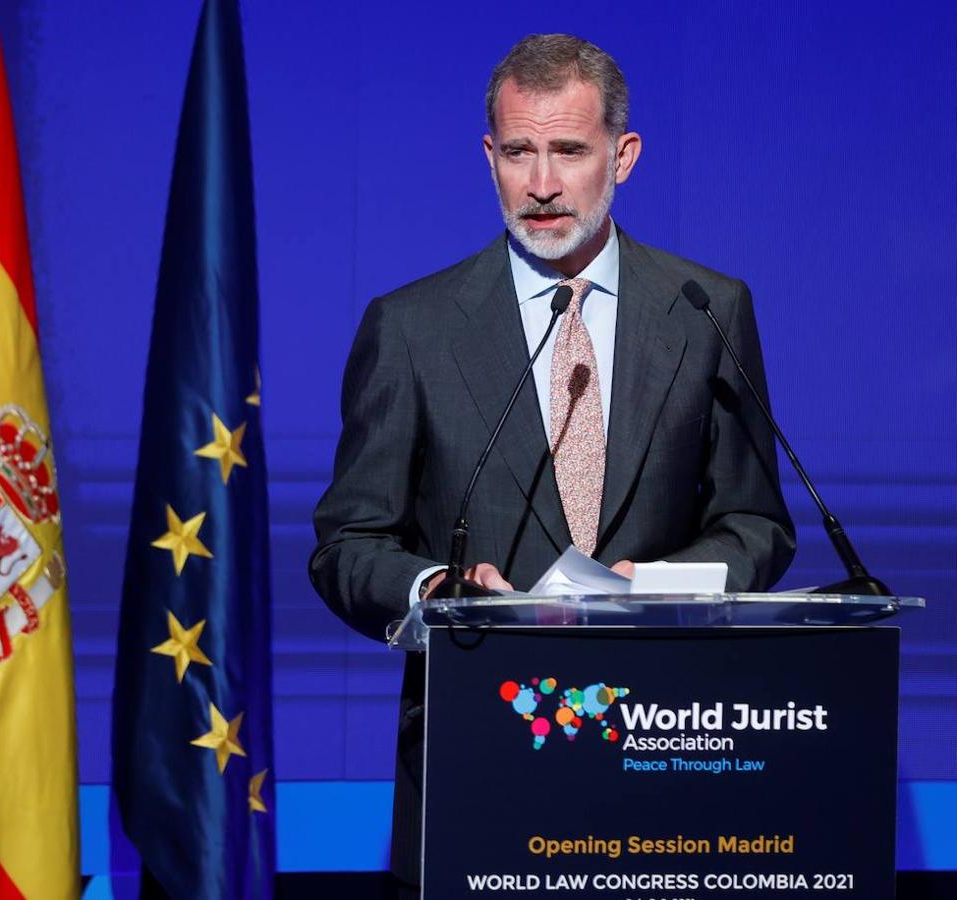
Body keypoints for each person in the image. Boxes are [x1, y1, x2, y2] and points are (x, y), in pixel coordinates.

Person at [309, 33, 795, 895]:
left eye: (569, 151)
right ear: (488, 157)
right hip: (479, 752)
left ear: (624, 155)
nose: (541, 185)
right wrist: (433, 590)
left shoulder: (707, 311)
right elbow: (349, 542)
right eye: (518, 153)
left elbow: (756, 524)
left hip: (667, 753)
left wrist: (661, 586)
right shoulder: (414, 327)